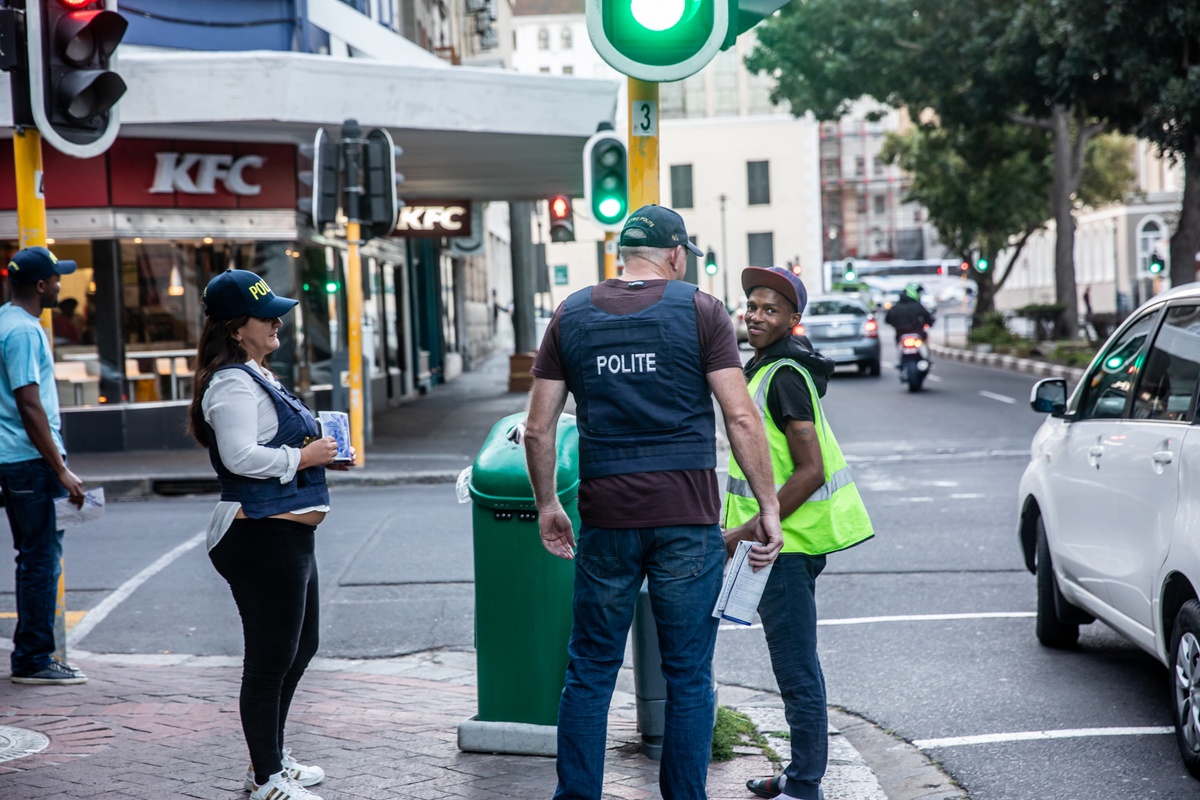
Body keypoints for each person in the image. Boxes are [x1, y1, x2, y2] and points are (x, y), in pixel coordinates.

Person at [525, 204, 784, 800]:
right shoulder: (701, 309)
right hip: (686, 517)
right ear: (675, 255)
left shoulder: (571, 314)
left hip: (608, 517)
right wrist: (767, 506)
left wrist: (548, 506)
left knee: (590, 670)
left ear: (624, 254)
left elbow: (538, 429)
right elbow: (740, 415)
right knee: (689, 676)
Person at [189, 269, 355, 800]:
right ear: (238, 327)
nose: (278, 321)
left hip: (286, 536)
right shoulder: (231, 382)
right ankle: (265, 778)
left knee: (301, 646)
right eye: (267, 316)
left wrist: (323, 455)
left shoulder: (257, 373)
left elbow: (272, 447)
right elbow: (239, 456)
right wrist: (301, 456)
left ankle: (273, 758)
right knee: (268, 660)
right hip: (259, 536)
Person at [727, 267, 875, 800]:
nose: (756, 315)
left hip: (783, 546)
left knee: (795, 667)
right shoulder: (764, 369)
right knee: (791, 663)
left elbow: (809, 469)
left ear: (794, 320)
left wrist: (747, 530)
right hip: (774, 543)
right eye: (751, 305)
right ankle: (798, 772)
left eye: (771, 309)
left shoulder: (784, 374)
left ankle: (805, 783)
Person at [0, 247, 87, 686]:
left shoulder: (3, 322)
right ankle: (33, 659)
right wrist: (60, 468)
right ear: (39, 286)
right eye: (56, 278)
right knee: (39, 559)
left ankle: (32, 654)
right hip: (29, 460)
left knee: (32, 556)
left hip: (12, 457)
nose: (59, 284)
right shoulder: (24, 331)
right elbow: (28, 403)